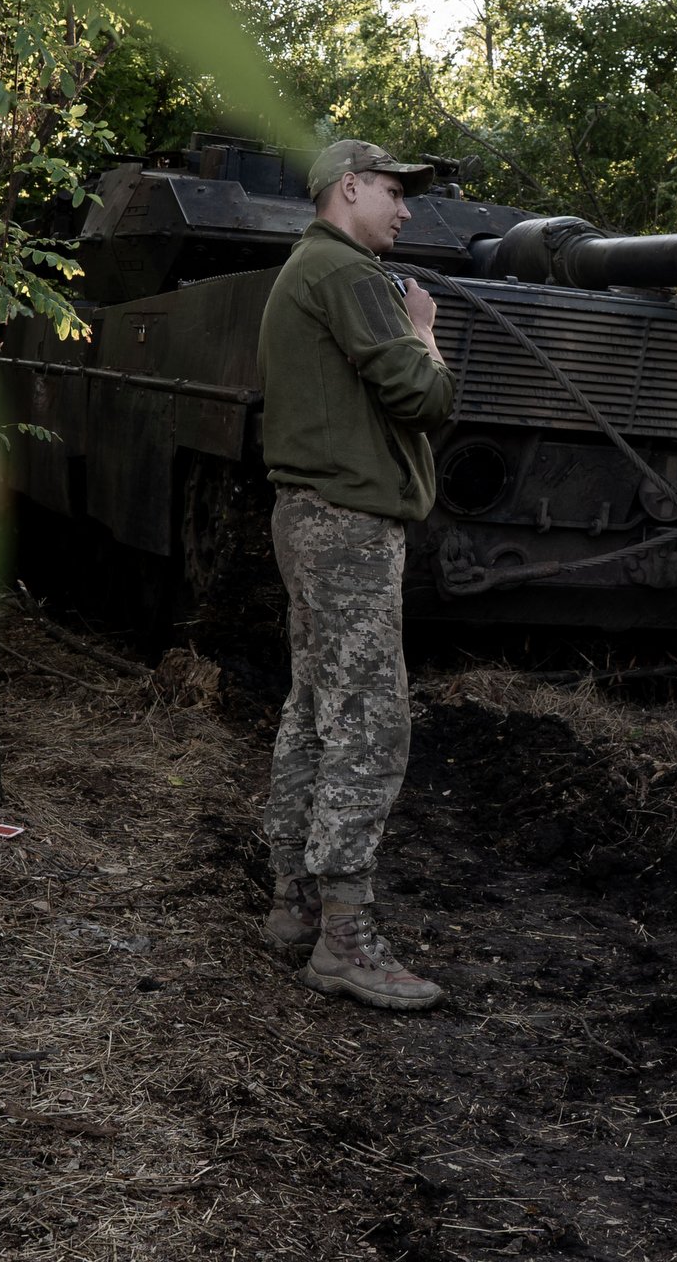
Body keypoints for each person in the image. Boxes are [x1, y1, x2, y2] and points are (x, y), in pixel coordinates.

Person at [256, 138, 456, 1011]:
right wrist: (424, 332)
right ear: (348, 188)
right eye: (392, 192)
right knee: (371, 723)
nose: (405, 210)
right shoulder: (348, 273)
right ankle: (344, 938)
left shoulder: (306, 268)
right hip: (348, 526)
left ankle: (294, 906)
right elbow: (424, 397)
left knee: (313, 711)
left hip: (310, 516)